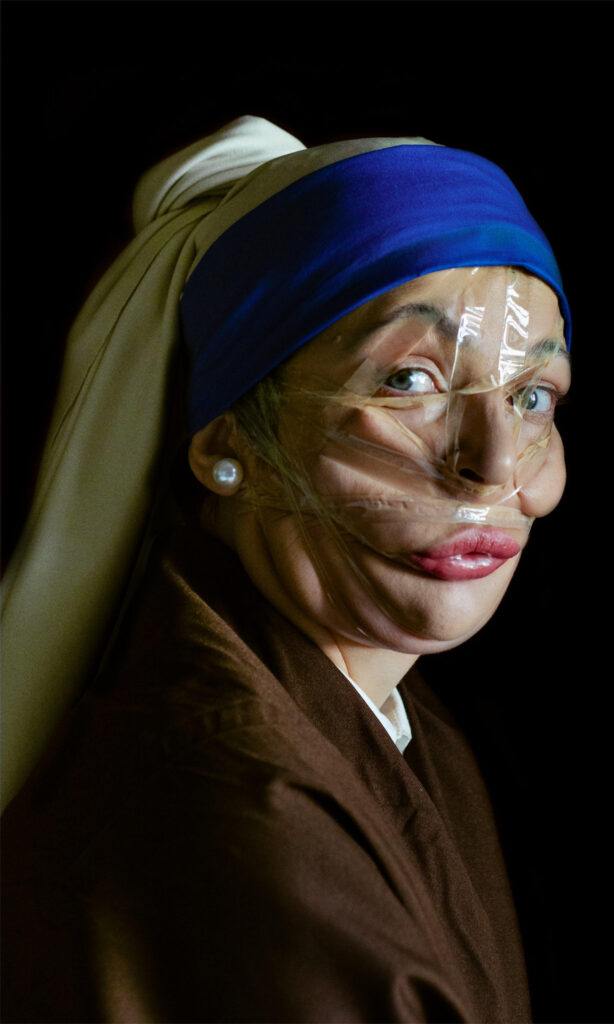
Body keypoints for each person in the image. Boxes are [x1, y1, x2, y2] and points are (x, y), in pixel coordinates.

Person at [1, 116, 571, 1023]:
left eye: (531, 395)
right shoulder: (231, 807)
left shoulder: (398, 727)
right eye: (408, 382)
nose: (496, 465)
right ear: (226, 439)